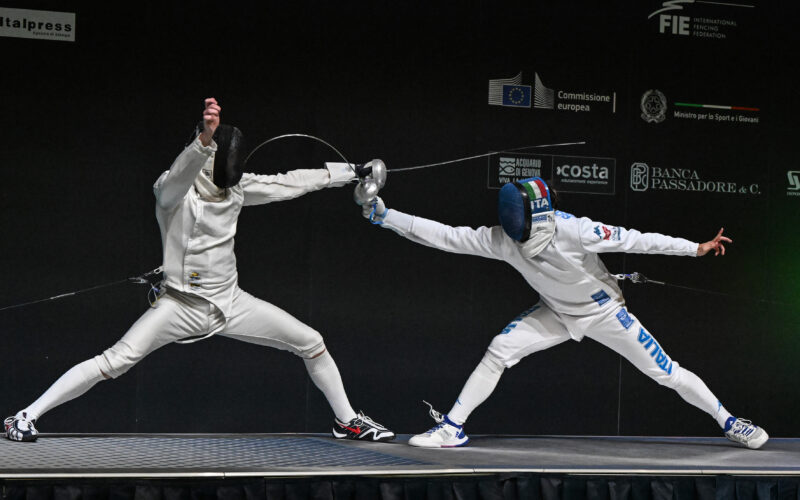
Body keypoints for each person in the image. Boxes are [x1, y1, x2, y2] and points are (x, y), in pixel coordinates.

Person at [4, 98, 394, 443]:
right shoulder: (172, 195)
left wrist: (353, 171)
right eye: (217, 158)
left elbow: (291, 183)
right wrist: (203, 141)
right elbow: (178, 177)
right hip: (180, 305)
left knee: (311, 342)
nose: (229, 170)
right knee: (114, 361)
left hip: (231, 302)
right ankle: (25, 416)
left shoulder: (238, 188)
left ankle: (347, 421)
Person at [359, 177, 767, 449]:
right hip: (555, 312)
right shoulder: (503, 239)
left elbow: (639, 240)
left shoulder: (576, 230)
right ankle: (452, 428)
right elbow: (447, 236)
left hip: (606, 313)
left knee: (666, 372)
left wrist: (695, 248)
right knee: (500, 349)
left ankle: (729, 421)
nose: (514, 228)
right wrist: (385, 216)